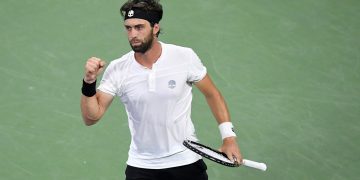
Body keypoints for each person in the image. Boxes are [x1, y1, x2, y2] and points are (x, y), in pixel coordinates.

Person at [80, 0, 242, 179]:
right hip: (142, 166)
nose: (133, 34)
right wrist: (89, 82)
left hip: (186, 161)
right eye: (128, 28)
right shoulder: (118, 69)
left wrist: (229, 137)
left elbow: (212, 94)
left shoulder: (184, 57)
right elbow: (91, 118)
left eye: (139, 27)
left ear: (155, 27)